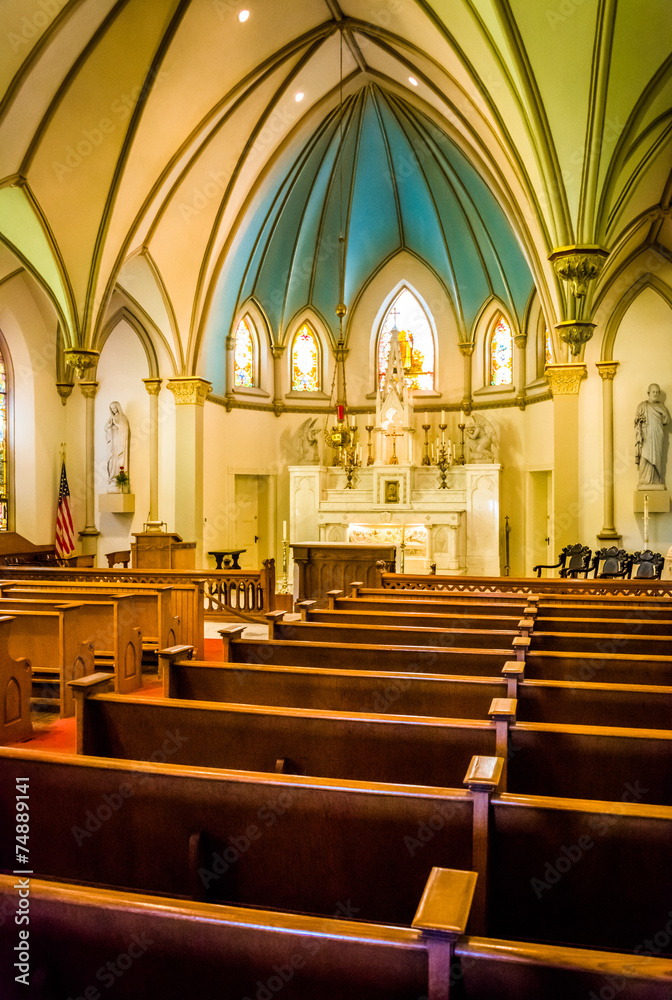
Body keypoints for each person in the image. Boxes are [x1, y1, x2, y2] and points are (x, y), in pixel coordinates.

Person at [634, 383, 670, 488]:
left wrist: (663, 412)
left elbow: (667, 421)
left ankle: (656, 479)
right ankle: (644, 480)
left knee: (657, 459)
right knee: (645, 457)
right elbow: (637, 421)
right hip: (646, 436)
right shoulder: (642, 406)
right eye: (653, 391)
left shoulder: (661, 406)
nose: (655, 394)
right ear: (648, 392)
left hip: (658, 435)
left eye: (657, 392)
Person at [105, 401, 130, 489]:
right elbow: (106, 427)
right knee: (112, 459)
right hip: (112, 440)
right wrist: (109, 427)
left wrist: (115, 424)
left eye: (114, 408)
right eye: (112, 409)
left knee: (119, 459)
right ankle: (112, 477)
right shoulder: (111, 417)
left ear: (118, 407)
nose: (113, 410)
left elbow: (124, 428)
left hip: (119, 440)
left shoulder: (123, 417)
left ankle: (119, 478)